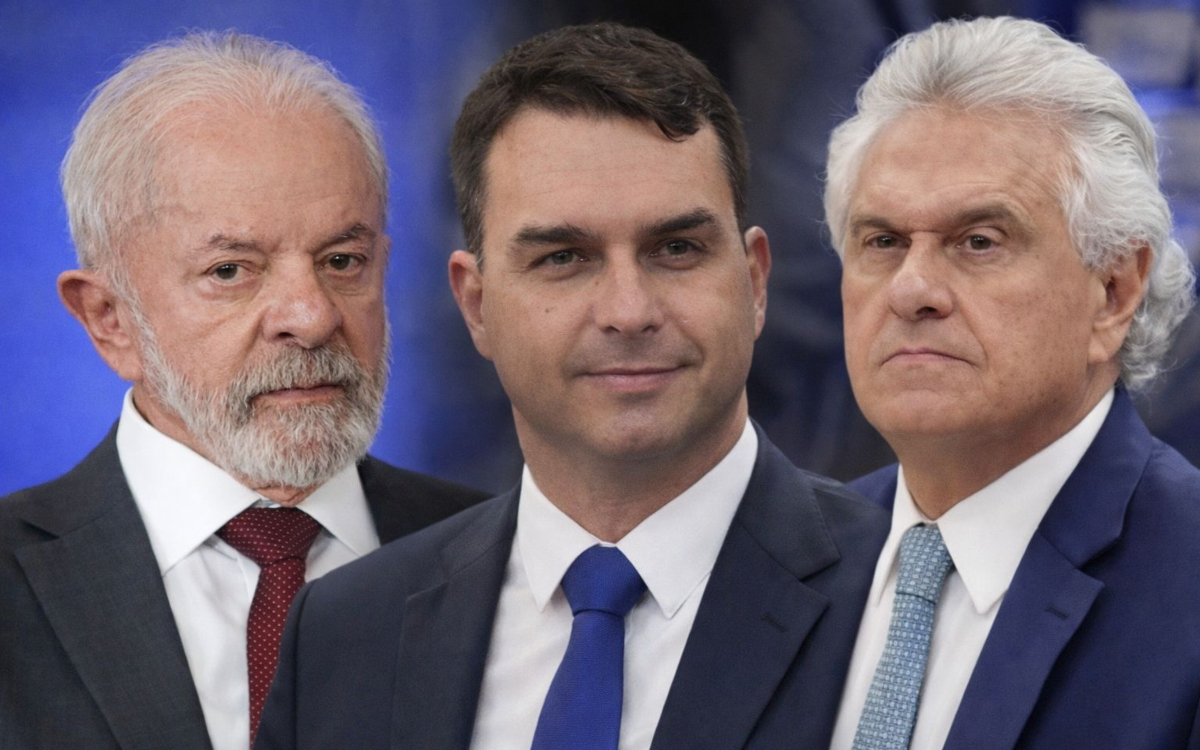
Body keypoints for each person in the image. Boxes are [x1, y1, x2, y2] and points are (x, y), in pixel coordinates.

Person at [256, 22, 889, 750]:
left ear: (754, 282)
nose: (629, 310)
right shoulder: (343, 634)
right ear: (476, 305)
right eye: (563, 258)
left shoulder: (902, 593)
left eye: (676, 248)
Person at [0, 32, 487, 750]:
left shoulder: (511, 561)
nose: (312, 317)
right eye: (231, 271)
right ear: (109, 320)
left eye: (342, 261)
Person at [824, 16, 1200, 750]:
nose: (912, 289)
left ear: (1114, 292)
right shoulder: (779, 559)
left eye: (978, 242)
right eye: (883, 241)